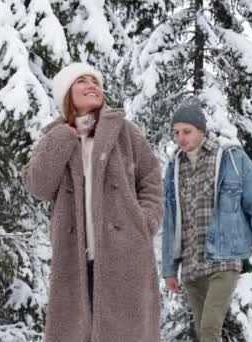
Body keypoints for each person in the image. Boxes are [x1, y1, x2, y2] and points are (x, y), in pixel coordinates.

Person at [22, 62, 163, 342]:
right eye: (81, 81)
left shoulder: (124, 131)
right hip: (75, 260)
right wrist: (64, 134)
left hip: (124, 255)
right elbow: (37, 186)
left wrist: (144, 222)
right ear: (66, 94)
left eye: (95, 81)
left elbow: (151, 179)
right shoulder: (56, 137)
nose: (92, 85)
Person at [161, 97, 252, 342]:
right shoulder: (173, 169)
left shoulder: (231, 160)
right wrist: (170, 269)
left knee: (211, 328)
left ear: (202, 131)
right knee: (202, 332)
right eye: (176, 132)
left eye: (187, 131)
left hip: (224, 259)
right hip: (191, 265)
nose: (180, 138)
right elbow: (171, 221)